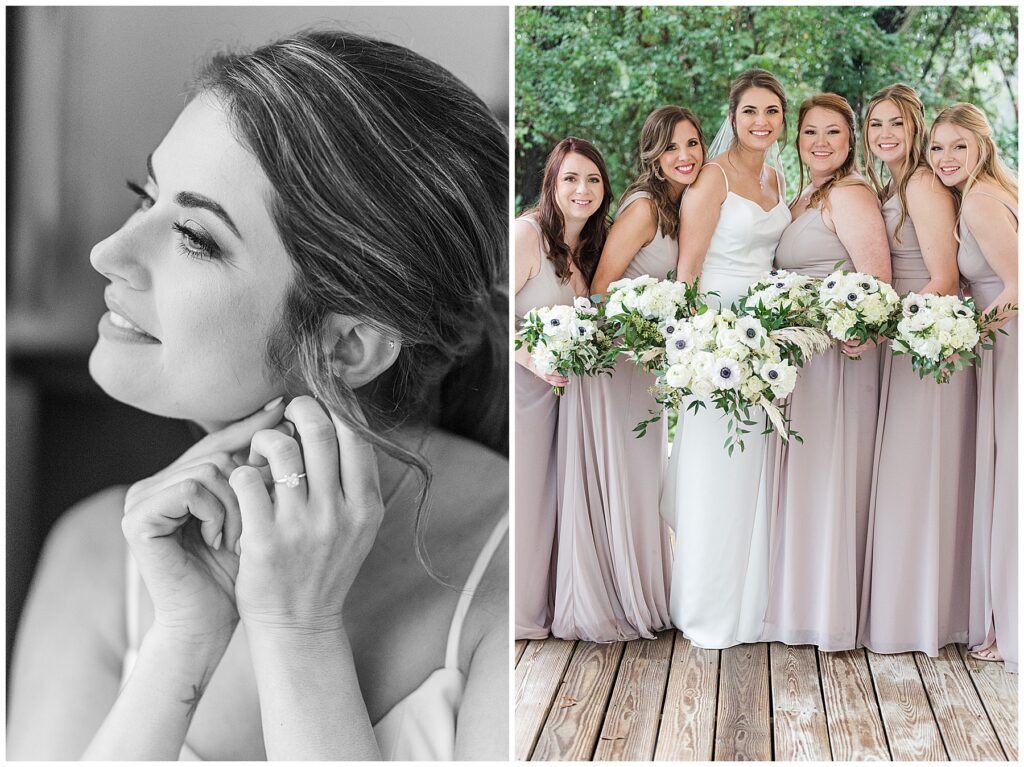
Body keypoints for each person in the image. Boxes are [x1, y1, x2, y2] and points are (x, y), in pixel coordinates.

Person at [8, 30, 509, 761]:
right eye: (144, 195)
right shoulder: (99, 553)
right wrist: (180, 644)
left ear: (348, 345)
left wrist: (298, 629)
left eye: (193, 235)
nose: (107, 252)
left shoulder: (528, 572)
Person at [553, 108, 704, 642]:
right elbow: (598, 287)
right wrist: (640, 327)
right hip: (617, 357)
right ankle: (614, 597)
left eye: (692, 144)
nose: (684, 156)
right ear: (653, 156)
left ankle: (644, 591)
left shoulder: (681, 206)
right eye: (671, 148)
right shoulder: (643, 207)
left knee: (641, 480)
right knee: (621, 476)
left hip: (645, 361)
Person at [660, 69, 791, 649]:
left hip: (765, 336)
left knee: (753, 472)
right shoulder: (711, 178)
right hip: (715, 336)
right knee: (714, 467)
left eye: (772, 112)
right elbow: (688, 273)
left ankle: (751, 605)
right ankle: (705, 607)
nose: (761, 122)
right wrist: (693, 347)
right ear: (732, 117)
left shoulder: (779, 178)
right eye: (750, 112)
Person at [761, 93, 891, 651]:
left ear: (850, 141)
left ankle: (830, 612)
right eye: (810, 131)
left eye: (833, 132)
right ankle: (799, 604)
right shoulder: (802, 197)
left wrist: (854, 333)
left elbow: (877, 282)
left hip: (837, 359)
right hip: (800, 358)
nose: (820, 141)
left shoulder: (851, 194)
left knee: (831, 477)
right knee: (806, 481)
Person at [857, 83, 975, 657]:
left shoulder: (925, 184)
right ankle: (902, 609)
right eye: (876, 124)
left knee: (918, 474)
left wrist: (883, 326)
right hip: (900, 339)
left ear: (916, 128)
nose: (884, 134)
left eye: (896, 125)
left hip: (924, 344)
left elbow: (945, 278)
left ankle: (921, 618)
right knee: (901, 477)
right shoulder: (889, 185)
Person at [930, 102, 1018, 671]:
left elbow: (1018, 285)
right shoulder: (983, 195)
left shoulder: (983, 201)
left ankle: (1008, 627)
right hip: (999, 344)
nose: (945, 158)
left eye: (958, 145)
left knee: (1012, 479)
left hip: (1008, 344)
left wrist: (966, 331)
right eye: (937, 147)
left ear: (982, 145)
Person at [514, 136, 607, 639]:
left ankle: (552, 601)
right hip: (525, 391)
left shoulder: (589, 250)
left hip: (566, 399)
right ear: (550, 183)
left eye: (593, 179)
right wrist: (534, 356)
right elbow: (489, 313)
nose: (582, 189)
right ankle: (522, 612)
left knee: (555, 498)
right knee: (528, 496)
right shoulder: (526, 235)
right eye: (570, 178)